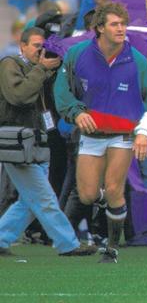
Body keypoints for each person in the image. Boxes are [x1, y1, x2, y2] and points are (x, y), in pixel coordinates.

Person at [54, 2, 147, 263]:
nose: (121, 29)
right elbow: (61, 90)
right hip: (90, 137)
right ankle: (108, 201)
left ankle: (111, 249)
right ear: (100, 28)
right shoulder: (77, 54)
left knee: (114, 188)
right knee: (87, 195)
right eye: (115, 24)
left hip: (122, 136)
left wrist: (143, 133)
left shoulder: (137, 61)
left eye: (123, 24)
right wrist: (77, 112)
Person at [0, 27, 96, 257]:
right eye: (35, 46)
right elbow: (19, 96)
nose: (40, 51)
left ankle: (1, 238)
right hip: (17, 143)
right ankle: (68, 244)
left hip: (37, 143)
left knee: (29, 201)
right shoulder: (10, 64)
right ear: (22, 46)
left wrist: (56, 70)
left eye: (43, 47)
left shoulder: (41, 70)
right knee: (44, 197)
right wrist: (42, 69)